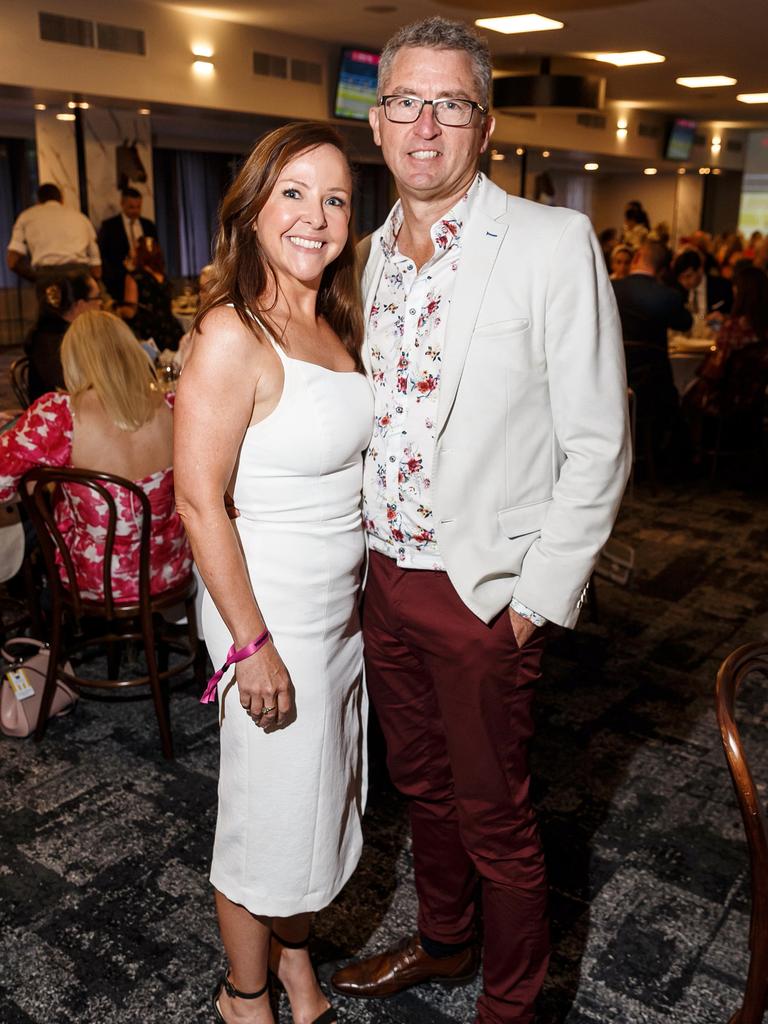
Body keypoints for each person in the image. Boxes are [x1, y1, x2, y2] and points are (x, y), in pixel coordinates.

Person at [329, 17, 631, 1024]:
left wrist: (533, 602)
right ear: (377, 124)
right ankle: (445, 941)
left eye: (449, 104)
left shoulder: (551, 242)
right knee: (420, 787)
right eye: (404, 102)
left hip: (482, 592)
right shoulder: (362, 259)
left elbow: (599, 443)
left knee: (496, 815)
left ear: (484, 124)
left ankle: (510, 1003)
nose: (424, 126)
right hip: (383, 578)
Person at [173, 121, 372, 1024]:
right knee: (266, 822)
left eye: (334, 198)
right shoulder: (230, 333)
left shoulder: (331, 318)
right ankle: (243, 993)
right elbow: (198, 504)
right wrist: (251, 646)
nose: (315, 215)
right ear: (252, 210)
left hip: (337, 615)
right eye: (293, 192)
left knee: (318, 805)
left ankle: (295, 966)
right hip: (268, 617)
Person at [0, 310, 191, 602]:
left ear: (72, 359)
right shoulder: (173, 405)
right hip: (170, 567)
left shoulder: (59, 414)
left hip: (96, 578)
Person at [683, 265, 768, 430]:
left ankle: (690, 449)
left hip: (725, 403)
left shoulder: (733, 329)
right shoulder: (762, 329)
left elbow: (714, 372)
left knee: (686, 396)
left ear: (741, 292)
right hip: (756, 401)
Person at [24, 269, 102, 402]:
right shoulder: (48, 339)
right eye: (97, 298)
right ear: (80, 305)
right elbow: (73, 386)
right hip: (56, 413)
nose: (101, 303)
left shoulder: (76, 331)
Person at [6, 183, 101, 283]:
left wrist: (37, 278)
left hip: (47, 279)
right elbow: (96, 269)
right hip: (80, 276)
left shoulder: (26, 217)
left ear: (38, 201)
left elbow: (12, 262)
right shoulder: (81, 218)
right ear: (62, 200)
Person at [119, 236, 183, 351]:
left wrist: (117, 311)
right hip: (170, 330)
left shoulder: (134, 277)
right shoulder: (162, 276)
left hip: (148, 334)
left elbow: (130, 312)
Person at [97, 187, 158, 303]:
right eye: (131, 207)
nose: (135, 211)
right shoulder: (109, 226)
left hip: (146, 283)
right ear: (122, 204)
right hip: (119, 283)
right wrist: (111, 278)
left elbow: (156, 252)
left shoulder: (148, 225)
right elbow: (102, 255)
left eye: (138, 207)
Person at [174, 263, 215, 369]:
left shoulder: (216, 320)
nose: (201, 294)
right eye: (200, 289)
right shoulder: (202, 314)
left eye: (205, 289)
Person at [672, 248, 732, 317]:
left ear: (700, 270)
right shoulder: (677, 291)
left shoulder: (722, 286)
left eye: (688, 276)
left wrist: (722, 317)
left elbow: (730, 315)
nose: (684, 282)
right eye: (680, 278)